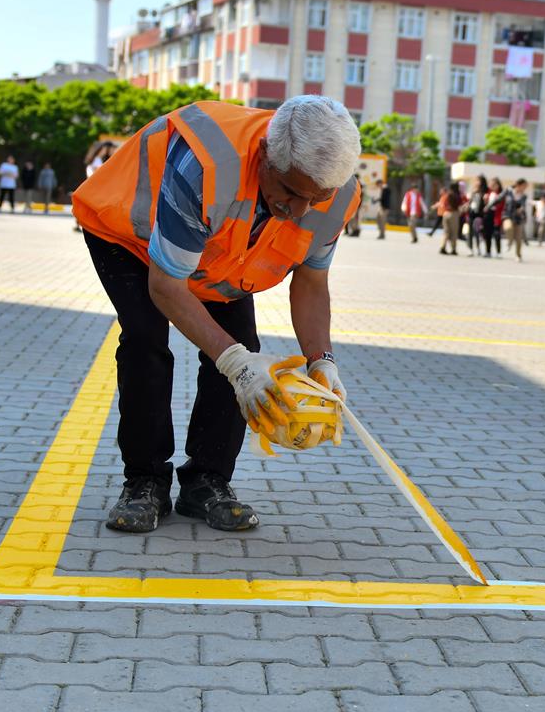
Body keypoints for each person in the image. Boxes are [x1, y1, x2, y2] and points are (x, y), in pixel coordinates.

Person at [72, 95, 361, 533]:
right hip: (129, 233)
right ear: (265, 155)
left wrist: (322, 360)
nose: (299, 211)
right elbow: (166, 286)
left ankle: (206, 481)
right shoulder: (207, 167)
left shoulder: (337, 194)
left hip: (216, 247)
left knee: (243, 344)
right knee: (147, 337)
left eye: (315, 199)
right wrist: (236, 364)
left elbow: (311, 280)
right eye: (291, 193)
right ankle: (144, 480)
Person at [504, 179, 528, 261]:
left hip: (518, 218)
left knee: (518, 238)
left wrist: (522, 209)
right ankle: (509, 243)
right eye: (524, 186)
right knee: (508, 228)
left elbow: (523, 205)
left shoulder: (524, 196)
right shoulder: (509, 193)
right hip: (508, 216)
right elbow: (499, 199)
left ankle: (518, 255)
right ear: (518, 185)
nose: (525, 188)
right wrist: (489, 206)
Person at [437, 184, 464, 256]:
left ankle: (443, 247)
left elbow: (443, 204)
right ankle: (453, 249)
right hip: (453, 214)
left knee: (446, 232)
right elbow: (460, 205)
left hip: (445, 214)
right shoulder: (457, 195)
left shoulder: (447, 195)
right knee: (454, 232)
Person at [482, 177, 506, 258]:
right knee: (487, 234)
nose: (492, 186)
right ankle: (488, 251)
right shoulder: (488, 193)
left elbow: (501, 206)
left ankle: (498, 252)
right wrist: (485, 200)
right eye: (491, 184)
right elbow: (485, 206)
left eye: (494, 185)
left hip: (496, 215)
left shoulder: (501, 194)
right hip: (488, 215)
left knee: (497, 235)